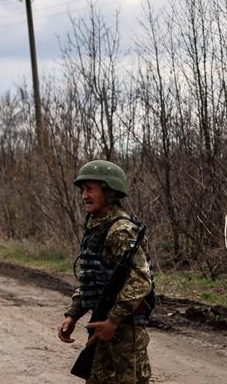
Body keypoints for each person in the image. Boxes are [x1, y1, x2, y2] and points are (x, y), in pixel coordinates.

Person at [57, 160, 155, 384]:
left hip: (124, 330)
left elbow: (141, 281)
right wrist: (72, 315)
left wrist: (113, 321)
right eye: (82, 190)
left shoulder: (120, 231)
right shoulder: (96, 226)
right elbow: (91, 277)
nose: (84, 195)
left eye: (90, 189)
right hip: (103, 326)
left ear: (108, 191)